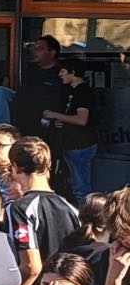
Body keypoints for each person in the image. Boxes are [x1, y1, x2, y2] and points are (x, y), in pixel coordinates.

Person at [6, 136, 79, 285]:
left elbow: (31, 266)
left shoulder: (20, 208)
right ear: (48, 167)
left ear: (15, 168)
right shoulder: (71, 208)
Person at [45, 58, 98, 198]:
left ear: (72, 72)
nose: (60, 74)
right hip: (72, 143)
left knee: (80, 186)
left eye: (63, 71)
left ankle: (85, 216)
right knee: (76, 183)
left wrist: (55, 115)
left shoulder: (83, 93)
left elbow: (81, 120)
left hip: (80, 144)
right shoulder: (71, 91)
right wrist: (61, 121)